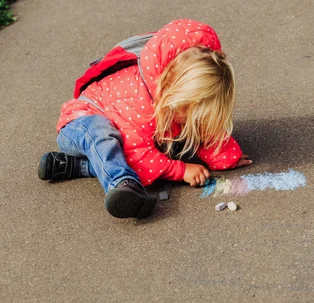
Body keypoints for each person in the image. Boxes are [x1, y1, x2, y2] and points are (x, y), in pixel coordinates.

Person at [38, 19, 251, 218]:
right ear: (170, 93)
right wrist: (181, 170)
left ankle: (74, 167)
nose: (194, 122)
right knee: (102, 134)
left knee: (127, 151)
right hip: (80, 121)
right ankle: (124, 184)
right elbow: (139, 157)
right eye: (189, 114)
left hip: (123, 135)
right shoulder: (140, 104)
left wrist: (226, 156)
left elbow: (204, 127)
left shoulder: (175, 94)